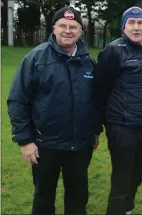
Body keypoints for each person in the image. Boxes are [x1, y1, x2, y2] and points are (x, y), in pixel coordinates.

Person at [7, 6, 101, 215]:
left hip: (80, 145)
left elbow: (93, 100)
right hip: (44, 145)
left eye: (73, 27)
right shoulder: (36, 58)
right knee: (43, 198)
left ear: (80, 31)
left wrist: (94, 131)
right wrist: (25, 141)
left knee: (78, 198)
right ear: (54, 28)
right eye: (63, 26)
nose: (68, 31)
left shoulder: (88, 61)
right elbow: (17, 100)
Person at [92, 7, 142, 215]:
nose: (136, 27)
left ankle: (127, 210)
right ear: (123, 27)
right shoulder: (113, 51)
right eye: (131, 22)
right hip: (121, 126)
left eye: (140, 23)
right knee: (122, 179)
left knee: (136, 177)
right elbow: (100, 90)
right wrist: (104, 124)